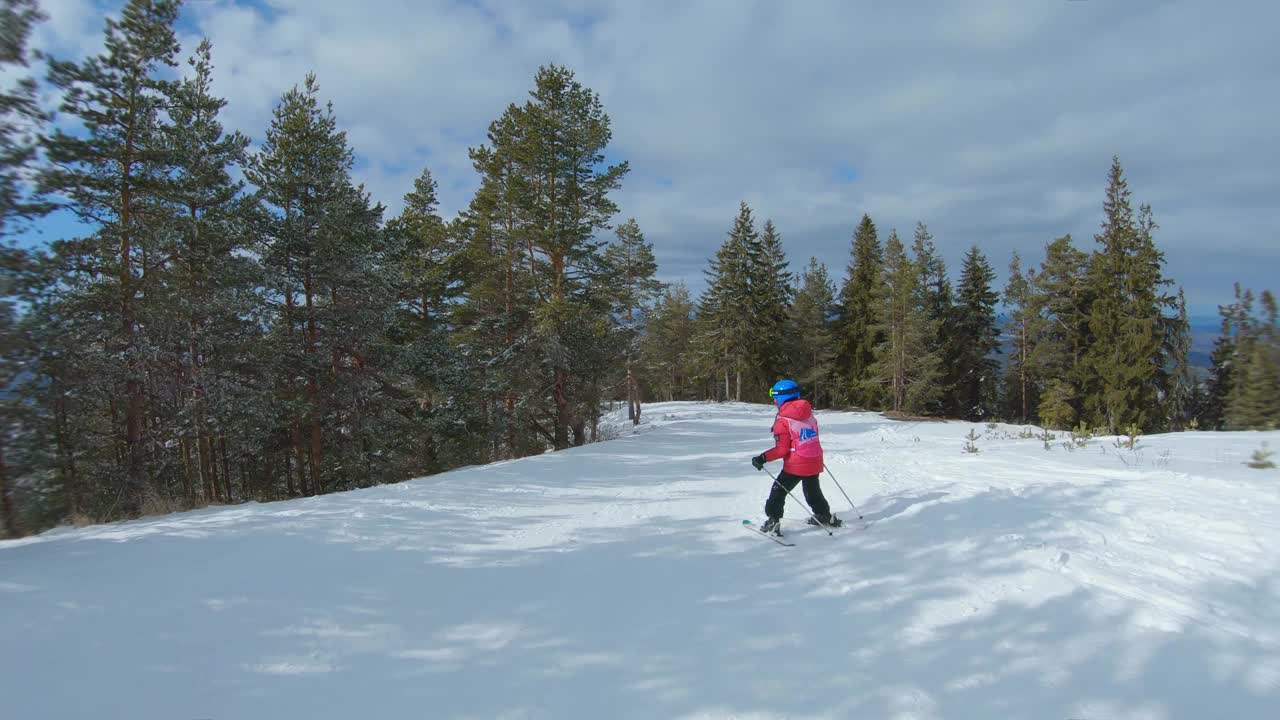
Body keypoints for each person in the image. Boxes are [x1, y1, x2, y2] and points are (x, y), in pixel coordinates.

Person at [750, 379, 842, 536]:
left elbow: (781, 450)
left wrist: (762, 458)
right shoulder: (808, 414)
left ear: (781, 398)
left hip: (796, 463)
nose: (773, 400)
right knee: (812, 491)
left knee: (778, 491)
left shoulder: (783, 420)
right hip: (814, 459)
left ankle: (773, 520)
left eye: (774, 396)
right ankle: (823, 515)